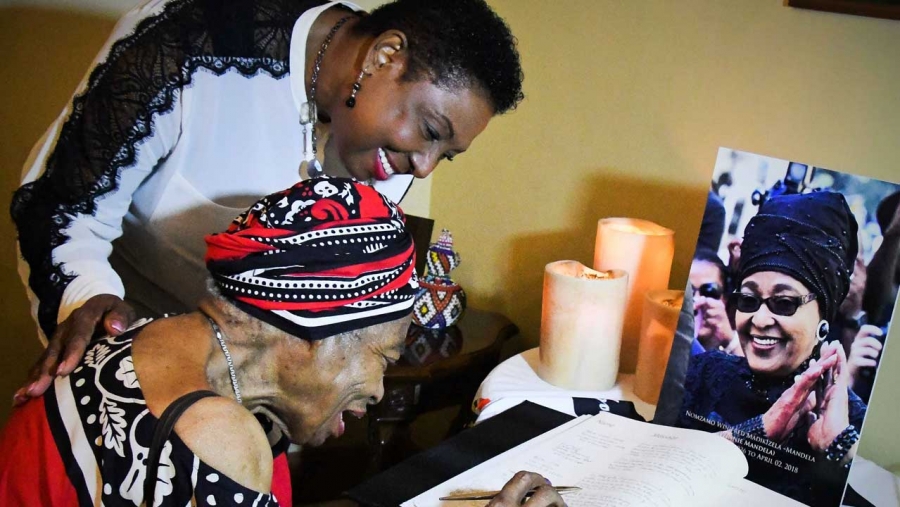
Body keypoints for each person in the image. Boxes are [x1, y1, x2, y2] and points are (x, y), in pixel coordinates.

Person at [12, 0, 524, 404]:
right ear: (383, 56)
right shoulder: (187, 47)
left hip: (258, 400)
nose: (425, 165)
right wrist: (87, 298)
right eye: (430, 131)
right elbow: (60, 211)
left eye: (446, 155)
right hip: (130, 364)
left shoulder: (386, 152)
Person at [0, 179, 563, 507]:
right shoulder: (217, 438)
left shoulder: (148, 337)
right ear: (316, 329)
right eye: (382, 359)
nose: (375, 390)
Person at [677, 191, 867, 506]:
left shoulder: (850, 419)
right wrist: (755, 433)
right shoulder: (704, 373)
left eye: (784, 303)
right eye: (748, 300)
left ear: (824, 315)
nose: (760, 319)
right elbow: (655, 472)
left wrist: (840, 446)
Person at [688, 249, 738, 355]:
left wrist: (730, 342)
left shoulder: (738, 346)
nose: (697, 300)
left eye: (710, 291)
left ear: (724, 299)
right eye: (688, 292)